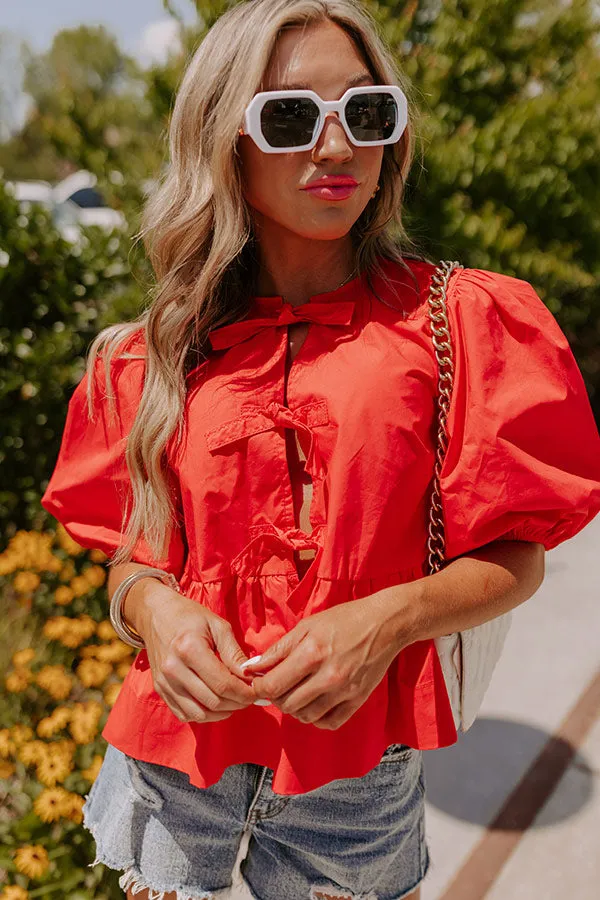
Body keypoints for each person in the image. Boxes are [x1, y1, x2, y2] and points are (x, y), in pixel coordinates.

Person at [41, 1, 600, 898]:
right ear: (227, 140)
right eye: (292, 117)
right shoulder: (154, 353)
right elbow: (129, 558)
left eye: (367, 112)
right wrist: (155, 614)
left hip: (354, 791)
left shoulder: (459, 322)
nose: (337, 147)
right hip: (173, 775)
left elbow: (517, 557)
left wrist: (386, 622)